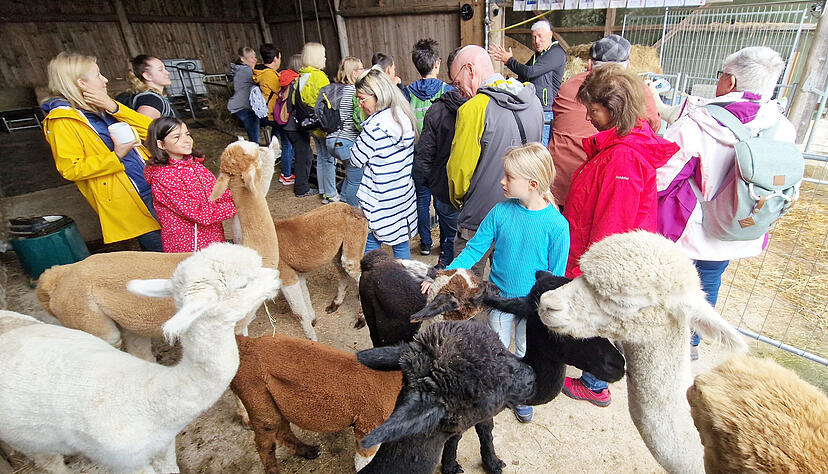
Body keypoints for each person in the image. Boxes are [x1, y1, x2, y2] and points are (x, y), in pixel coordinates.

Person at [656, 47, 795, 360]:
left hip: (694, 227)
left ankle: (667, 342)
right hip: (742, 224)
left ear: (730, 81)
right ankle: (690, 342)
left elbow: (663, 177)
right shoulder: (782, 127)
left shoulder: (701, 123)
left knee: (674, 282)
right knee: (710, 279)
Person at [423, 143, 569, 423]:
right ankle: (497, 389)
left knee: (525, 350)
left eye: (509, 177)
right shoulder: (500, 212)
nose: (502, 181)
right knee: (498, 348)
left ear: (532, 183)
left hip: (531, 306)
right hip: (500, 299)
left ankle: (522, 394)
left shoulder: (557, 226)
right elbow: (474, 249)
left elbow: (555, 278)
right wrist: (442, 276)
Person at [561, 64, 679, 407]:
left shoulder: (623, 159)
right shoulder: (621, 146)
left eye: (593, 109)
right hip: (596, 244)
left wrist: (593, 272)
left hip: (603, 255)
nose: (587, 115)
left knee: (604, 316)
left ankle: (596, 383)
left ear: (614, 109)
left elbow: (612, 226)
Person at [41, 52, 162, 251]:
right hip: (129, 196)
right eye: (98, 75)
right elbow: (71, 169)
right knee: (162, 250)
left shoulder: (100, 107)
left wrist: (114, 107)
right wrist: (116, 156)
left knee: (176, 239)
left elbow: (152, 130)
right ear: (81, 83)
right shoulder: (62, 121)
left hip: (149, 181)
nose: (105, 79)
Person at [447, 45, 544, 276]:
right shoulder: (534, 103)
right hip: (522, 214)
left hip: (479, 218)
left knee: (464, 288)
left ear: (469, 69)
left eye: (457, 83)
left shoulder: (473, 109)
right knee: (509, 283)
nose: (458, 91)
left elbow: (459, 173)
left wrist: (459, 201)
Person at [548, 34, 661, 205]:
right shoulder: (639, 89)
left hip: (561, 185)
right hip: (608, 191)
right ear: (628, 65)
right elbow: (652, 127)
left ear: (589, 64)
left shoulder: (569, 85)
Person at [350, 68, 418, 259]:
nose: (360, 105)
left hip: (379, 199)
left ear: (378, 95)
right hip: (402, 195)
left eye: (362, 99)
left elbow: (356, 159)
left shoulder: (373, 128)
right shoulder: (403, 116)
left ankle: (376, 285)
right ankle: (404, 284)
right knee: (401, 244)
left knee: (371, 247)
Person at [143, 117, 236, 253]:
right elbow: (201, 215)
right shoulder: (164, 177)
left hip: (213, 239)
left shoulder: (195, 166)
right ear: (161, 145)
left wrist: (240, 197)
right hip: (189, 247)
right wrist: (239, 205)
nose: (187, 140)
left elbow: (217, 193)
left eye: (187, 134)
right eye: (177, 137)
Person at [414, 47, 466, 270]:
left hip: (443, 187)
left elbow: (425, 153)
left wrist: (427, 181)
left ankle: (445, 258)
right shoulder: (484, 109)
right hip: (471, 191)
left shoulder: (437, 110)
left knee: (448, 231)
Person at [404, 38, 454, 256]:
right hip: (442, 157)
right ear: (437, 64)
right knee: (443, 202)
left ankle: (425, 243)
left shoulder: (406, 92)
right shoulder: (448, 91)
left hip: (419, 155)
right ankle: (444, 244)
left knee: (422, 200)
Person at [489, 20, 566, 146]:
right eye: (534, 37)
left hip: (545, 111)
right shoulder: (538, 56)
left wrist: (509, 61)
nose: (536, 41)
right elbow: (523, 76)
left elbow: (530, 72)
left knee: (540, 148)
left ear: (550, 35)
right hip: (532, 107)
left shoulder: (556, 53)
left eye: (540, 36)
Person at [297, 42, 336, 202]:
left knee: (320, 157)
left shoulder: (301, 76)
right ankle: (330, 194)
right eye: (323, 55)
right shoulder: (319, 76)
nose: (325, 58)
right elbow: (330, 101)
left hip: (310, 124)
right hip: (323, 125)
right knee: (328, 159)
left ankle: (322, 189)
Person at [325, 56, 365, 207]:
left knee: (349, 175)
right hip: (346, 141)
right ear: (354, 73)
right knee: (356, 180)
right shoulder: (353, 91)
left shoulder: (334, 89)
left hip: (332, 140)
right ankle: (352, 212)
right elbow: (357, 120)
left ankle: (342, 203)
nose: (363, 71)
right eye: (361, 68)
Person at [253, 43, 295, 185]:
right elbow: (282, 91)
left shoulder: (259, 72)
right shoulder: (269, 75)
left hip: (269, 113)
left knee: (276, 141)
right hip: (275, 114)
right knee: (287, 143)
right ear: (276, 58)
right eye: (280, 58)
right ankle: (286, 174)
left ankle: (272, 162)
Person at [228, 47, 262, 143]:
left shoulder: (239, 70)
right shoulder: (246, 71)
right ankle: (254, 152)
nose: (255, 59)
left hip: (241, 105)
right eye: (251, 57)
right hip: (245, 107)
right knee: (254, 137)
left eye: (254, 57)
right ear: (242, 59)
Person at [127, 55, 177, 119]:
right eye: (160, 70)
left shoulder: (153, 97)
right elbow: (145, 127)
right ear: (147, 76)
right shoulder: (151, 100)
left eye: (165, 69)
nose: (167, 72)